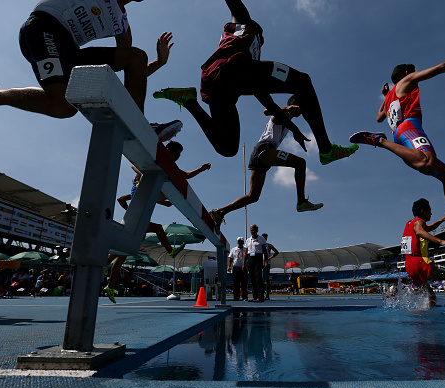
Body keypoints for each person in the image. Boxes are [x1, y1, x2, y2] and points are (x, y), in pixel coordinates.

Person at [152, 0, 357, 165]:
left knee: (228, 148)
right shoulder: (244, 24)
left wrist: (292, 128)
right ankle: (326, 149)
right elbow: (234, 4)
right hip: (230, 68)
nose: (262, 40)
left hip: (219, 86)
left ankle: (188, 101)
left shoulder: (252, 63)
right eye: (262, 36)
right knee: (302, 81)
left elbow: (263, 96)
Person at [0, 0, 173, 134]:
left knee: (135, 57)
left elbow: (132, 77)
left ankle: (138, 125)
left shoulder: (122, 25)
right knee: (62, 104)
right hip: (44, 28)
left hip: (70, 51)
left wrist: (159, 63)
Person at [350, 52, 445, 242]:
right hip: (410, 129)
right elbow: (441, 67)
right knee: (428, 163)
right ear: (408, 72)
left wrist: (386, 97)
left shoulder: (389, 98)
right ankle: (380, 141)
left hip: (403, 137)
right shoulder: (408, 79)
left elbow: (379, 117)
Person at [209, 96, 339, 233]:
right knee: (300, 163)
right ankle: (301, 202)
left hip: (261, 156)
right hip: (264, 150)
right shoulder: (283, 115)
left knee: (253, 197)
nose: (302, 111)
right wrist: (288, 108)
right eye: (301, 107)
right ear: (295, 106)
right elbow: (267, 111)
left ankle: (219, 212)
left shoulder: (288, 122)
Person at [104, 141, 211, 303]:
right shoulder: (150, 166)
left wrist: (201, 170)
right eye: (176, 154)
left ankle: (107, 276)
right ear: (167, 151)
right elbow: (134, 166)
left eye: (180, 155)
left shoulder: (164, 169)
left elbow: (186, 175)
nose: (178, 157)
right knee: (157, 230)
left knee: (121, 254)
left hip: (139, 212)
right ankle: (171, 252)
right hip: (138, 213)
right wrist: (145, 172)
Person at [243, 224, 268, 302]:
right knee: (252, 278)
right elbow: (245, 253)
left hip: (258, 257)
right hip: (250, 258)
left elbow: (265, 251)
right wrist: (243, 263)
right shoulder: (247, 240)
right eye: (251, 229)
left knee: (258, 277)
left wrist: (266, 261)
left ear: (257, 230)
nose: (252, 231)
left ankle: (260, 297)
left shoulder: (262, 239)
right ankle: (255, 296)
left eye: (254, 229)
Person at [228, 236, 247, 301]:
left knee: (244, 283)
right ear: (237, 242)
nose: (240, 242)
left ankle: (244, 297)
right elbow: (230, 258)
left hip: (243, 268)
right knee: (236, 283)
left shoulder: (245, 249)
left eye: (241, 241)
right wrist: (229, 266)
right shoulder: (233, 249)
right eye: (239, 241)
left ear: (243, 242)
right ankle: (236, 297)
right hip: (236, 268)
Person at [261, 233, 279, 300]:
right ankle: (261, 294)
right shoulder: (259, 245)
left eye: (265, 238)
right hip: (260, 263)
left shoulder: (269, 245)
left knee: (267, 279)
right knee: (260, 279)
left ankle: (267, 295)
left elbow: (276, 252)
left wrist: (269, 258)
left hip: (267, 263)